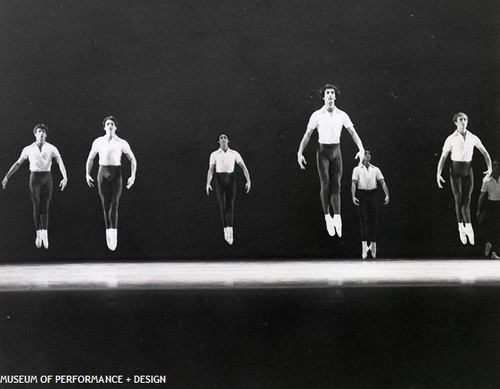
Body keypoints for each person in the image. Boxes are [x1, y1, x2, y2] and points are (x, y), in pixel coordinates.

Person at [297, 84, 364, 237]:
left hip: (336, 151)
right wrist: (300, 152)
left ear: (335, 96)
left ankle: (338, 218)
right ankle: (328, 216)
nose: (330, 95)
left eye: (332, 93)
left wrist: (361, 148)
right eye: (327, 93)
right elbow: (307, 135)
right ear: (323, 96)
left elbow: (353, 132)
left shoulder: (342, 115)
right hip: (323, 152)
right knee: (325, 182)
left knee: (337, 184)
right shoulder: (317, 115)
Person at [2, 124, 68, 248]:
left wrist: (65, 177)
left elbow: (60, 162)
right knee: (36, 204)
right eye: (39, 131)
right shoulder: (28, 148)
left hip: (47, 178)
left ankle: (45, 233)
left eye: (43, 132)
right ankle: (38, 232)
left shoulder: (51, 148)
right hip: (35, 178)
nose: (41, 134)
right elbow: (17, 163)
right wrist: (7, 177)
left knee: (45, 205)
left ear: (46, 135)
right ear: (35, 134)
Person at [436, 112, 492, 245]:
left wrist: (489, 168)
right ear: (455, 122)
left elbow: (485, 152)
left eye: (465, 120)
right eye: (461, 120)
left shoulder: (473, 137)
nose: (463, 122)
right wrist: (438, 174)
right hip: (455, 171)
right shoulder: (451, 138)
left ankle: (469, 228)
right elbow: (443, 157)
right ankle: (461, 227)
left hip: (468, 170)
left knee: (467, 200)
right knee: (458, 198)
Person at [85, 116, 137, 251]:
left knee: (114, 204)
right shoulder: (98, 141)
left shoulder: (121, 142)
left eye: (112, 124)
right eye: (107, 124)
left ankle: (113, 233)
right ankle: (108, 232)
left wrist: (133, 176)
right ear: (104, 127)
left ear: (115, 127)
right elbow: (90, 159)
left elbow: (133, 159)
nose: (110, 126)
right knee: (105, 204)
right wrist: (87, 174)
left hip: (116, 173)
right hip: (102, 172)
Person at [206, 133, 251, 245]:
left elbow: (244, 167)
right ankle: (225, 228)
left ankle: (230, 230)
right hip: (219, 180)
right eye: (221, 138)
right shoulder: (214, 154)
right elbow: (210, 170)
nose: (223, 139)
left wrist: (248, 181)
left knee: (230, 205)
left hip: (230, 179)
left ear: (228, 140)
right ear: (219, 142)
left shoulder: (234, 153)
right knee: (223, 205)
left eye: (225, 138)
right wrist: (208, 183)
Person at [351, 149, 389, 259]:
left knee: (373, 220)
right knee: (364, 221)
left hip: (372, 194)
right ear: (362, 156)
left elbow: (382, 182)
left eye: (369, 154)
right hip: (362, 195)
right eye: (365, 154)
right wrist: (353, 196)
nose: (367, 155)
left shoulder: (375, 169)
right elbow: (353, 183)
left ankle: (373, 245)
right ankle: (364, 246)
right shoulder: (357, 169)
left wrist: (387, 195)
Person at [477, 160, 500, 259]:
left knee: (497, 229)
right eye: (493, 165)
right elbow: (481, 196)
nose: (495, 167)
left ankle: (493, 248)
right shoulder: (487, 180)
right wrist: (478, 209)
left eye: (497, 165)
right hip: (492, 205)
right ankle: (491, 247)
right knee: (492, 227)